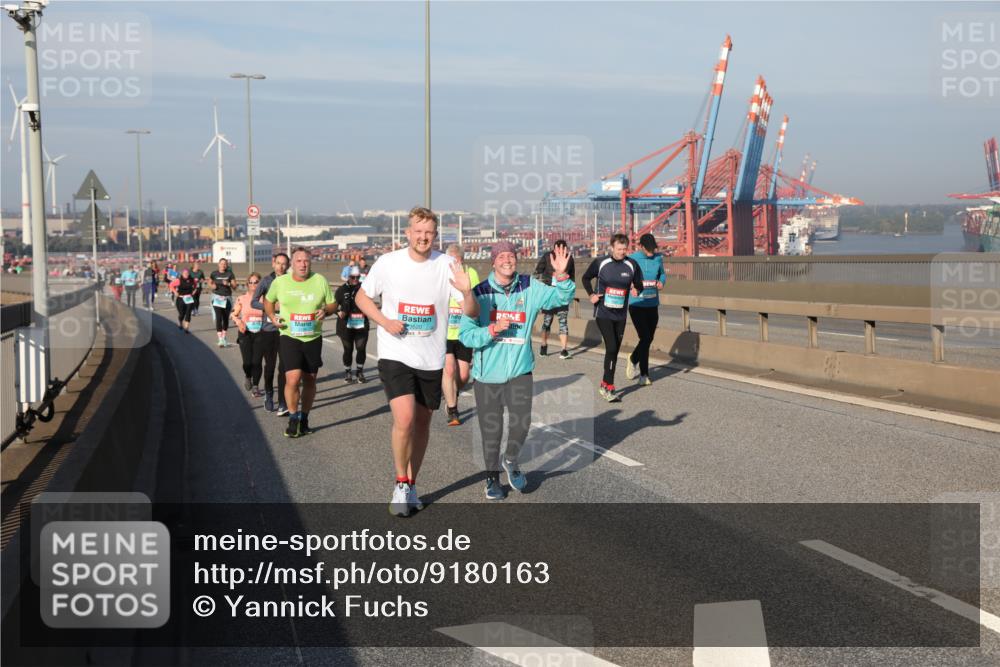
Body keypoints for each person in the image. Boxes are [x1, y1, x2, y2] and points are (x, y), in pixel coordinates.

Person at [354, 206, 479, 517]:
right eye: (418, 231)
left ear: (435, 236)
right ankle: (400, 482)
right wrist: (385, 321)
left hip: (431, 357)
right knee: (406, 418)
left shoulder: (447, 264)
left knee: (423, 423)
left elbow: (472, 313)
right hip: (395, 352)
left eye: (429, 233)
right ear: (407, 233)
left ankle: (411, 484)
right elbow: (361, 297)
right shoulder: (388, 262)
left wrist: (467, 293)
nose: (423, 237)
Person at [459, 242, 573, 500]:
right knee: (492, 430)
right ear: (493, 262)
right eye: (501, 256)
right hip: (487, 375)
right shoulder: (480, 293)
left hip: (520, 371)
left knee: (521, 423)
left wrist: (561, 275)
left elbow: (560, 298)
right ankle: (491, 478)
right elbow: (466, 335)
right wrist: (491, 330)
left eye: (511, 255)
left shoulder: (529, 286)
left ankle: (510, 459)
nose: (507, 260)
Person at [263, 247, 336, 438]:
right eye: (299, 261)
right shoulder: (281, 282)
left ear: (310, 263)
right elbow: (268, 301)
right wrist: (272, 317)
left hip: (313, 336)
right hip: (289, 335)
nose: (303, 264)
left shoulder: (319, 280)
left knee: (310, 379)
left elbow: (332, 303)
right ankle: (293, 418)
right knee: (293, 378)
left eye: (306, 261)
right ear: (292, 264)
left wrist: (326, 311)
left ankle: (304, 418)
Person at [582, 233, 644, 402]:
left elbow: (639, 283)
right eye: (619, 249)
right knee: (611, 347)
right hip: (603, 312)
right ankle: (609, 386)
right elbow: (585, 278)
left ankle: (604, 383)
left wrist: (637, 289)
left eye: (624, 249)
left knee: (615, 350)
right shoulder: (601, 263)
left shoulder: (632, 264)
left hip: (620, 314)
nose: (622, 252)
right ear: (611, 248)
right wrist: (591, 294)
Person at [441, 244, 480, 426]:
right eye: (450, 261)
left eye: (456, 261)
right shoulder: (441, 274)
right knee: (449, 369)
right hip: (445, 332)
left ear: (462, 260)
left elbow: (477, 298)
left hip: (464, 330)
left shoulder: (471, 273)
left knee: (463, 376)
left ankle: (451, 392)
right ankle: (452, 410)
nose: (453, 265)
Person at [624, 234, 665, 386]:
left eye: (652, 249)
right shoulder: (632, 259)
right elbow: (624, 277)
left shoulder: (658, 258)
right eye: (648, 249)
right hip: (637, 304)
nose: (650, 252)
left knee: (647, 339)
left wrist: (661, 282)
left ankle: (633, 358)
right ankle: (644, 375)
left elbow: (662, 274)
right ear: (640, 246)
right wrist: (631, 286)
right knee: (645, 337)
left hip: (652, 304)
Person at [252, 253, 290, 413]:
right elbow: (253, 302)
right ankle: (268, 393)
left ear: (288, 266)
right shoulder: (266, 281)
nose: (281, 266)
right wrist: (271, 307)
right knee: (270, 366)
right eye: (278, 263)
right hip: (268, 330)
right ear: (273, 264)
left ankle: (282, 401)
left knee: (284, 367)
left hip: (286, 329)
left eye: (284, 264)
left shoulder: (291, 281)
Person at [534, 239, 576, 359]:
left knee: (563, 322)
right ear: (554, 248)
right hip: (550, 294)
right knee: (547, 321)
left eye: (563, 249)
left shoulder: (569, 258)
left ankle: (563, 350)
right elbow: (537, 272)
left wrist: (570, 291)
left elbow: (572, 275)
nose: (560, 251)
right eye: (558, 249)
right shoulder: (547, 256)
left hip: (562, 294)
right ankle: (543, 345)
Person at [334, 266, 369, 384]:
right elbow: (333, 305)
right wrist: (338, 312)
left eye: (357, 277)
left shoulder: (364, 289)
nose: (355, 279)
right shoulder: (341, 290)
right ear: (348, 277)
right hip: (345, 325)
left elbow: (370, 302)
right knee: (348, 350)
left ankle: (360, 372)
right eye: (353, 277)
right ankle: (348, 372)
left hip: (361, 323)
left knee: (361, 348)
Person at [232, 273, 265, 395]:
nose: (253, 284)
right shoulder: (242, 298)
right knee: (247, 362)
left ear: (260, 284)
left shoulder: (265, 299)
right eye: (250, 282)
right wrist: (239, 321)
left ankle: (256, 386)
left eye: (256, 282)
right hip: (245, 333)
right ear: (247, 284)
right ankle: (248, 375)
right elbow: (234, 315)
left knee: (257, 361)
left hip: (261, 333)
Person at [209, 258, 236, 347]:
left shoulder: (230, 274)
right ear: (218, 264)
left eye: (225, 264)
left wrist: (228, 284)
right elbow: (209, 282)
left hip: (227, 298)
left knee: (225, 318)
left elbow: (235, 286)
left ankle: (224, 336)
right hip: (217, 297)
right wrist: (212, 285)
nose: (223, 265)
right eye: (221, 263)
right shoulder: (214, 273)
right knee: (218, 317)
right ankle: (220, 338)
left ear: (226, 265)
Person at [170, 268, 197, 333]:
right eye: (185, 273)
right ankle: (180, 321)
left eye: (187, 273)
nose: (186, 274)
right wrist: (175, 292)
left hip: (189, 298)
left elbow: (196, 286)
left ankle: (186, 327)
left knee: (188, 312)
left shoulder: (192, 280)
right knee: (181, 313)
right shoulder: (179, 280)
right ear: (182, 274)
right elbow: (171, 285)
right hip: (181, 298)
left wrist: (194, 290)